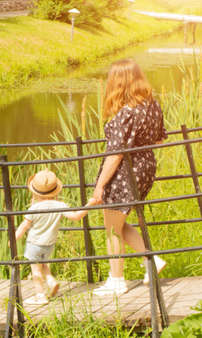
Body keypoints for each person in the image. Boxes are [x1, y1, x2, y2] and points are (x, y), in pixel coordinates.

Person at [92, 58, 167, 296]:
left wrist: (100, 185)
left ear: (118, 82)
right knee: (118, 223)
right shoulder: (151, 105)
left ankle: (116, 281)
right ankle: (151, 260)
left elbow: (115, 154)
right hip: (146, 166)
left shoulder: (125, 113)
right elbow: (159, 138)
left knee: (112, 228)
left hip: (125, 171)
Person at [16, 169, 97, 305]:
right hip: (49, 245)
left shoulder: (34, 209)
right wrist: (91, 204)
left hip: (34, 244)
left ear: (34, 191)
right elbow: (77, 216)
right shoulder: (59, 205)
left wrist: (13, 239)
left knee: (36, 270)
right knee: (43, 265)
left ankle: (40, 296)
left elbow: (24, 226)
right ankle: (51, 281)